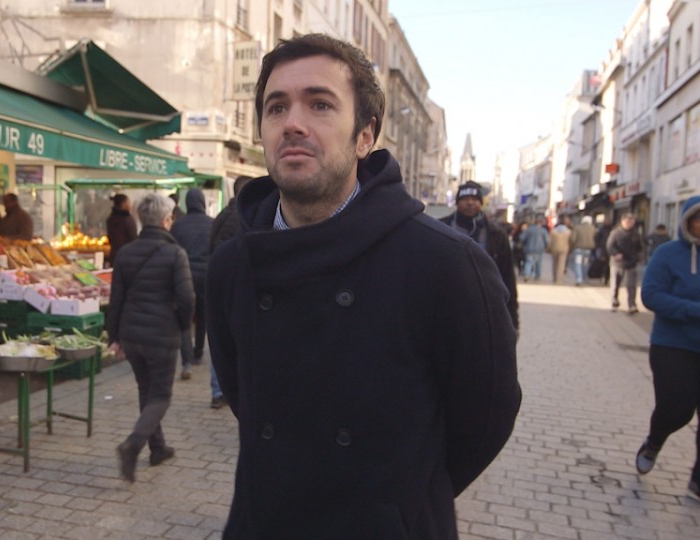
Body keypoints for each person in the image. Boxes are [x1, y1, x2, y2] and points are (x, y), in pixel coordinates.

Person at [205, 34, 521, 539]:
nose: (293, 123)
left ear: (364, 136)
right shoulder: (232, 267)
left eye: (321, 104)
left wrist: (397, 501)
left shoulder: (446, 264)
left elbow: (485, 418)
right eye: (276, 107)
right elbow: (246, 400)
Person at [106, 193, 195, 483]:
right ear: (166, 220)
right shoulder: (175, 254)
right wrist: (183, 327)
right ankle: (134, 443)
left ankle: (157, 448)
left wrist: (114, 335)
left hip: (132, 333)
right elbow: (186, 297)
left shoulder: (126, 253)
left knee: (146, 389)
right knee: (160, 394)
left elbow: (115, 297)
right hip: (161, 333)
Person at [636, 195, 700, 501]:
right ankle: (654, 441)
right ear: (687, 221)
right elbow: (650, 295)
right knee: (677, 409)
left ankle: (697, 480)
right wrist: (692, 310)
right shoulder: (668, 254)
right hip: (672, 346)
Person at [440, 180, 519, 332]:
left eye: (475, 199)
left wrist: (512, 322)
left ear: (481, 203)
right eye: (464, 199)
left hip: (485, 308)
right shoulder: (441, 228)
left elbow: (508, 278)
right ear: (457, 202)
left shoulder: (496, 235)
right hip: (447, 307)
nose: (470, 203)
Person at [206, 175, 251, 409]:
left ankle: (217, 390)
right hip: (242, 286)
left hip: (219, 282)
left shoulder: (222, 215)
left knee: (220, 341)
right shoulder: (248, 217)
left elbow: (210, 246)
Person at [169, 188, 214, 380]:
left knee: (184, 316)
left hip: (183, 275)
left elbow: (171, 250)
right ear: (202, 202)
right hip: (206, 274)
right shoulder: (212, 223)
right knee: (203, 314)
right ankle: (198, 353)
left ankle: (186, 361)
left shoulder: (178, 225)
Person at [607, 212, 645, 313]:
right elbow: (610, 246)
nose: (629, 223)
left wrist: (639, 257)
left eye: (631, 221)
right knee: (615, 284)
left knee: (631, 285)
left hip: (631, 262)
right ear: (622, 221)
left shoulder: (636, 234)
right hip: (617, 263)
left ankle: (632, 305)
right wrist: (615, 254)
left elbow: (640, 247)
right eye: (627, 221)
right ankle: (614, 301)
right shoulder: (615, 232)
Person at [106, 194, 138, 267]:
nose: (130, 205)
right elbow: (133, 238)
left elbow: (110, 238)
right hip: (128, 257)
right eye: (129, 202)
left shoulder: (110, 219)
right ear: (123, 204)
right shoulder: (128, 220)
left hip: (114, 256)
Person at [569, 215, 597, 286]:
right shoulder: (593, 228)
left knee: (578, 264)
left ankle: (579, 279)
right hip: (588, 249)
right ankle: (584, 277)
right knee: (585, 264)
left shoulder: (577, 228)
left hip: (578, 248)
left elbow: (573, 239)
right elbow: (596, 238)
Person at [520, 216, 549, 282]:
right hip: (539, 249)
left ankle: (526, 275)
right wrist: (546, 247)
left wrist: (524, 244)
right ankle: (537, 276)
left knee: (528, 262)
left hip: (529, 249)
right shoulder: (543, 230)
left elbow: (522, 238)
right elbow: (547, 240)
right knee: (538, 263)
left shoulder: (529, 230)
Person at [548, 218, 572, 284]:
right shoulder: (568, 232)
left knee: (554, 264)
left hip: (554, 249)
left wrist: (549, 248)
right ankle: (559, 279)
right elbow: (570, 241)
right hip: (564, 249)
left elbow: (550, 241)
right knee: (561, 264)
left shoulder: (553, 231)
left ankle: (554, 278)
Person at [594, 217, 613, 285]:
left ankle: (606, 278)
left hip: (610, 250)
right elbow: (597, 238)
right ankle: (602, 277)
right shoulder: (601, 230)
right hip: (603, 249)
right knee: (603, 265)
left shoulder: (612, 230)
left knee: (608, 266)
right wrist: (598, 247)